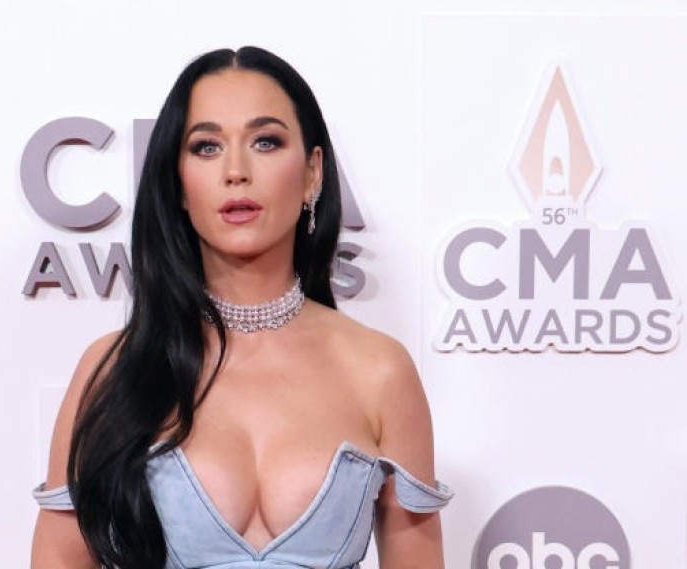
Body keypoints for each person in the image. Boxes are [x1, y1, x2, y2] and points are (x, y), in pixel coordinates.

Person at [31, 46, 452, 569]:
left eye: (265, 141)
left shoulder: (380, 370)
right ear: (177, 183)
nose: (236, 170)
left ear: (313, 172)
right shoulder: (114, 369)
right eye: (206, 147)